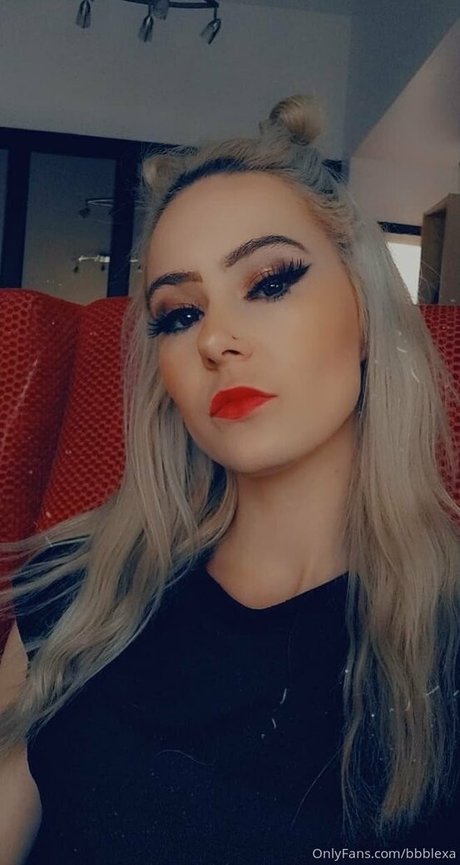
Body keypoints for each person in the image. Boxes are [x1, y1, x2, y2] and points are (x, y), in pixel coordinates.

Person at [0, 93, 459, 865]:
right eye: (179, 314)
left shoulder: (445, 634)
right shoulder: (74, 594)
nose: (215, 338)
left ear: (365, 310)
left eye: (270, 281)